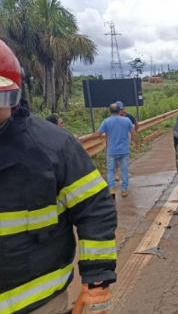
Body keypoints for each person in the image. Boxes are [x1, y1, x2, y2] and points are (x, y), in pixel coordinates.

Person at [0, 39, 116, 314]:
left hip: (38, 303)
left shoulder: (52, 147)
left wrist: (97, 279)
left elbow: (95, 208)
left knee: (114, 169)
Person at [98, 103, 137, 197]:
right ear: (120, 110)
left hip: (111, 151)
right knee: (124, 170)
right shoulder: (127, 120)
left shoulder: (106, 122)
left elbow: (98, 134)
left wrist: (85, 139)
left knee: (110, 171)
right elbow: (133, 133)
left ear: (109, 111)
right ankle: (124, 190)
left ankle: (111, 189)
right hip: (124, 151)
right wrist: (136, 143)